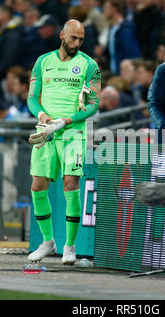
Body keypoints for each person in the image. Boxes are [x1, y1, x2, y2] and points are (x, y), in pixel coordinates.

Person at [27, 19, 101, 264]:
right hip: (45, 131)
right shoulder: (42, 62)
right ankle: (48, 242)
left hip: (72, 133)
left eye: (81, 39)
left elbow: (93, 105)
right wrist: (42, 116)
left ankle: (70, 246)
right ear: (61, 35)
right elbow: (32, 98)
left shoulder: (89, 65)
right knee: (38, 186)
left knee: (71, 184)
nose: (77, 43)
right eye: (73, 38)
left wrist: (67, 120)